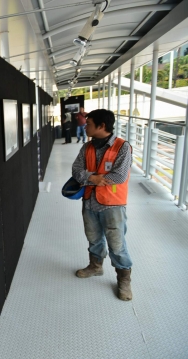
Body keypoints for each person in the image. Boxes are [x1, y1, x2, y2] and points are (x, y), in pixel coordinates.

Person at [71, 109, 133, 301]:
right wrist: (93, 179)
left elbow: (119, 176)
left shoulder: (122, 147)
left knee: (117, 244)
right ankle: (95, 266)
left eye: (88, 123)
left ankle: (124, 280)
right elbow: (76, 170)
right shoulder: (87, 147)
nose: (84, 125)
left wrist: (92, 179)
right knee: (93, 237)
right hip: (89, 201)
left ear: (102, 126)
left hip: (112, 205)